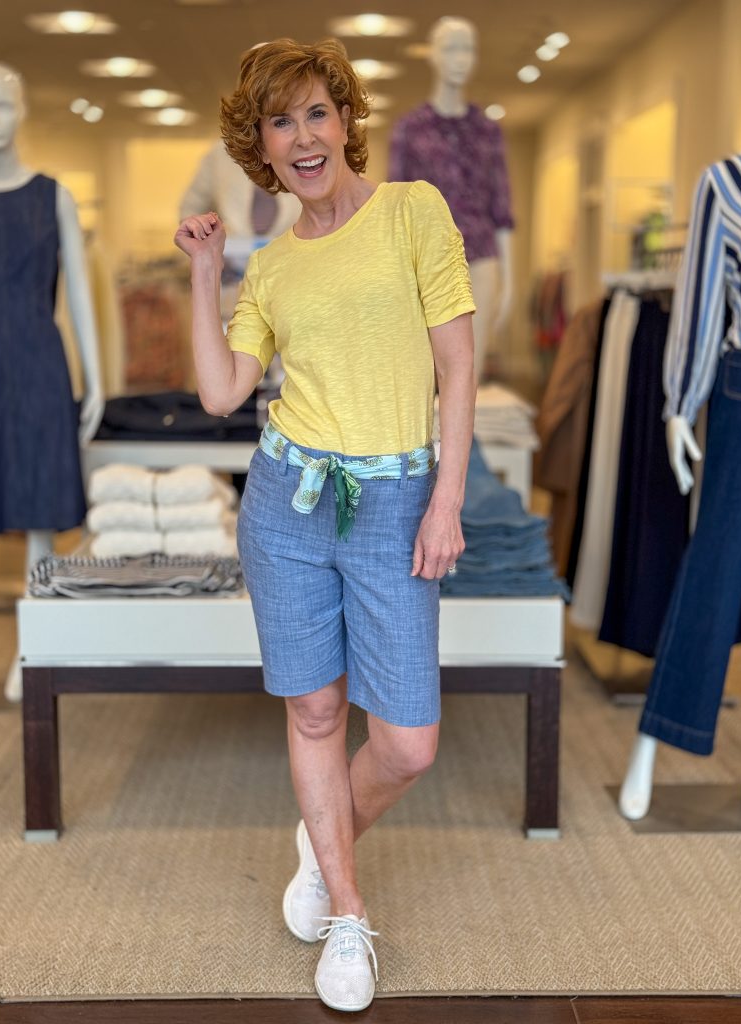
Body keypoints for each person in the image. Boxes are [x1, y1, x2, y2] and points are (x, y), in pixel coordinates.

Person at [174, 37, 476, 1013]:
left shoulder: (412, 212)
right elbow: (224, 393)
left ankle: (320, 833)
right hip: (289, 503)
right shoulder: (269, 268)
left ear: (345, 120)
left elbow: (459, 370)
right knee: (314, 711)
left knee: (410, 742)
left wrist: (447, 499)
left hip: (396, 501)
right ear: (259, 147)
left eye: (316, 113)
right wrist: (207, 272)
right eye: (279, 121)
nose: (302, 137)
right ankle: (346, 908)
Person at [619, 155, 741, 820]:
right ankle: (653, 739)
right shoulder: (727, 183)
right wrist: (679, 404)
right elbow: (699, 305)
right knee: (714, 570)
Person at [0, 61, 103, 701]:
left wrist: (97, 379)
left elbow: (78, 296)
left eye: (2, 104)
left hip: (34, 364)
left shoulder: (52, 194)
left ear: (23, 109)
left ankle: (34, 650)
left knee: (34, 510)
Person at [388, 16, 514, 382]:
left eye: (469, 49)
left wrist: (510, 279)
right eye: (452, 48)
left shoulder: (488, 130)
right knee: (425, 368)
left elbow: (501, 205)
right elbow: (396, 206)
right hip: (426, 258)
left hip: (482, 258)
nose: (461, 58)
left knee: (468, 371)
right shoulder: (409, 129)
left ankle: (462, 440)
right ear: (433, 56)